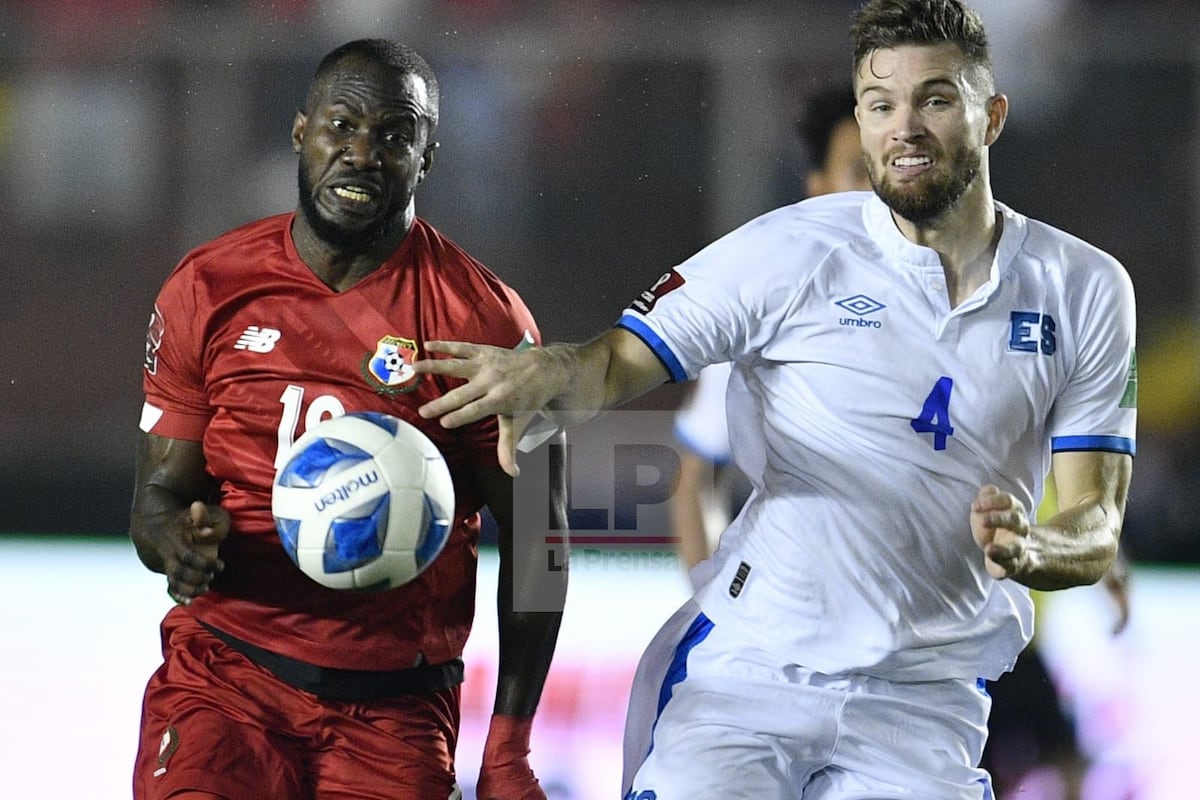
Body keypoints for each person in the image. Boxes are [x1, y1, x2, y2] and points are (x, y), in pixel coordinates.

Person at [413, 0, 1137, 796]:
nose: (904, 128)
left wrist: (1031, 551)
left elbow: (1095, 524)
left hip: (925, 706)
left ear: (991, 116)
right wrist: (550, 373)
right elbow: (612, 363)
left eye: (934, 99)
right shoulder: (791, 251)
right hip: (749, 679)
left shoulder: (1085, 290)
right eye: (880, 104)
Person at [129, 39, 566, 800]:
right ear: (302, 132)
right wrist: (177, 544)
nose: (362, 154)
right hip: (226, 679)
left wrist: (508, 747)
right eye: (342, 126)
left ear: (426, 160)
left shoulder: (487, 324)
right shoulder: (208, 288)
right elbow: (156, 501)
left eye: (395, 135)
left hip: (395, 709)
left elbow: (540, 541)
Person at [670, 84, 871, 579]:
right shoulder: (765, 310)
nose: (877, 190)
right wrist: (710, 597)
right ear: (818, 188)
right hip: (800, 616)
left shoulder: (965, 304)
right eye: (859, 171)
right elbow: (695, 479)